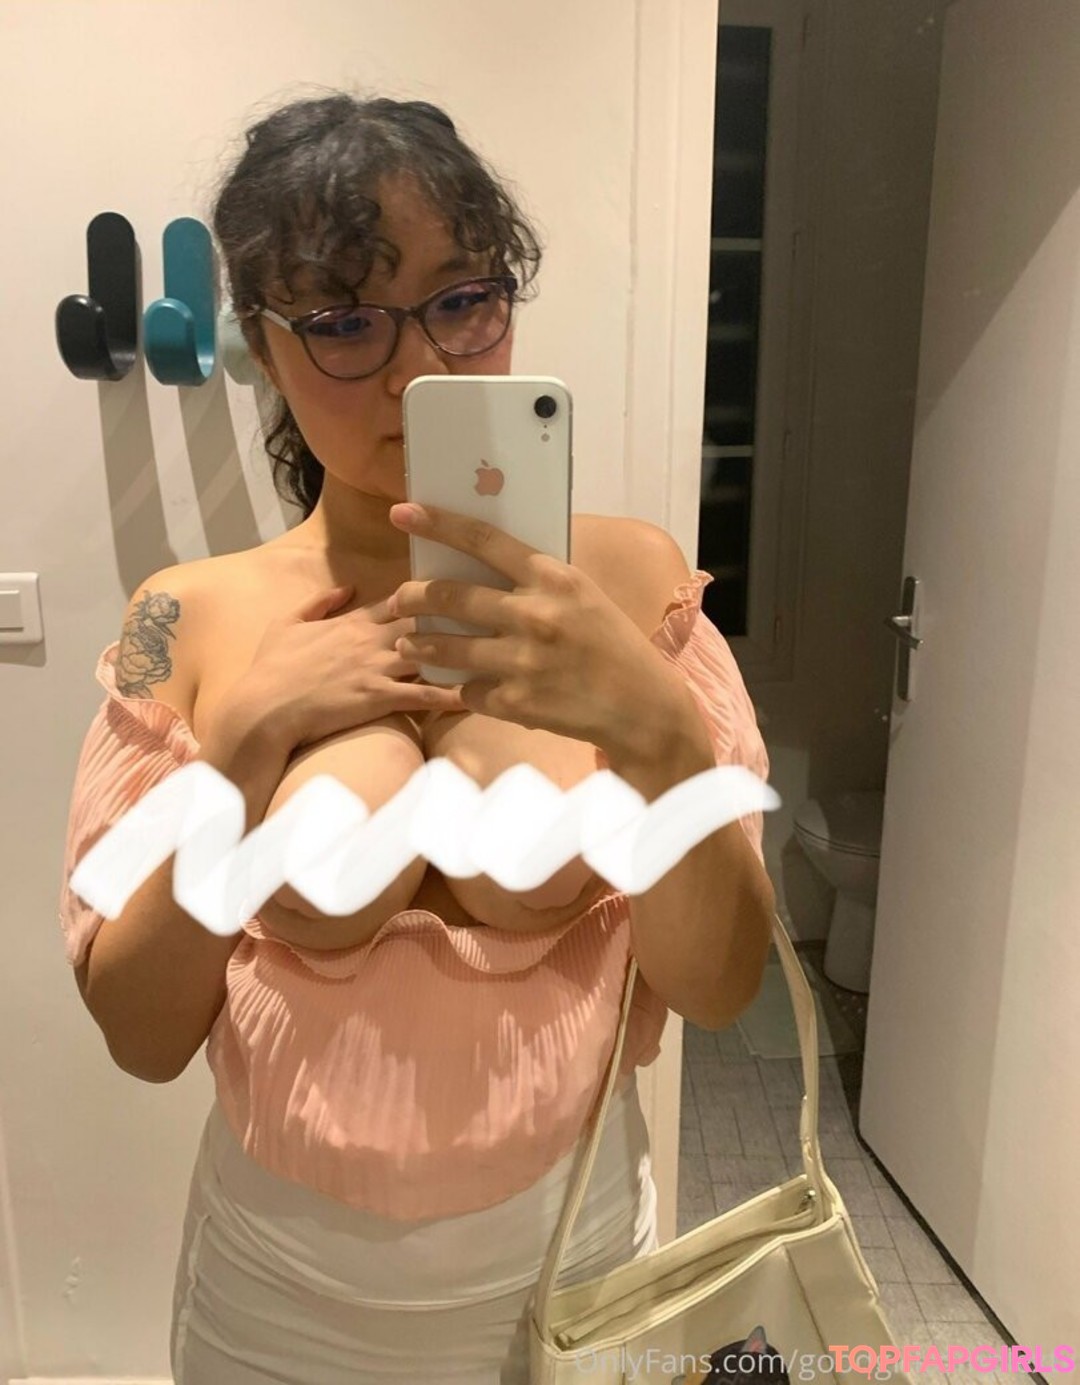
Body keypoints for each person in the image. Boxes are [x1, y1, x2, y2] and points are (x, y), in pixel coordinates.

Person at [58, 93, 776, 1384]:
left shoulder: (629, 584)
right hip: (279, 1304)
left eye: (462, 300)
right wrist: (250, 741)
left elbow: (720, 988)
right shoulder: (188, 619)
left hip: (577, 1267)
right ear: (263, 346)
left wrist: (659, 732)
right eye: (345, 321)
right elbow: (140, 1032)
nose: (418, 368)